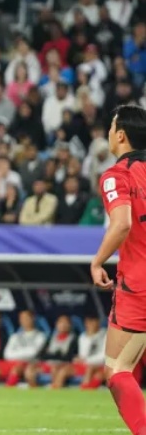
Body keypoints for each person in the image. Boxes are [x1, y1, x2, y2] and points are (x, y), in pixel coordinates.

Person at [91, 104, 146, 435]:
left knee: (118, 370)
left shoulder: (117, 175)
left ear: (121, 135)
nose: (109, 133)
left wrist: (97, 261)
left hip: (140, 285)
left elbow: (122, 223)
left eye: (111, 127)